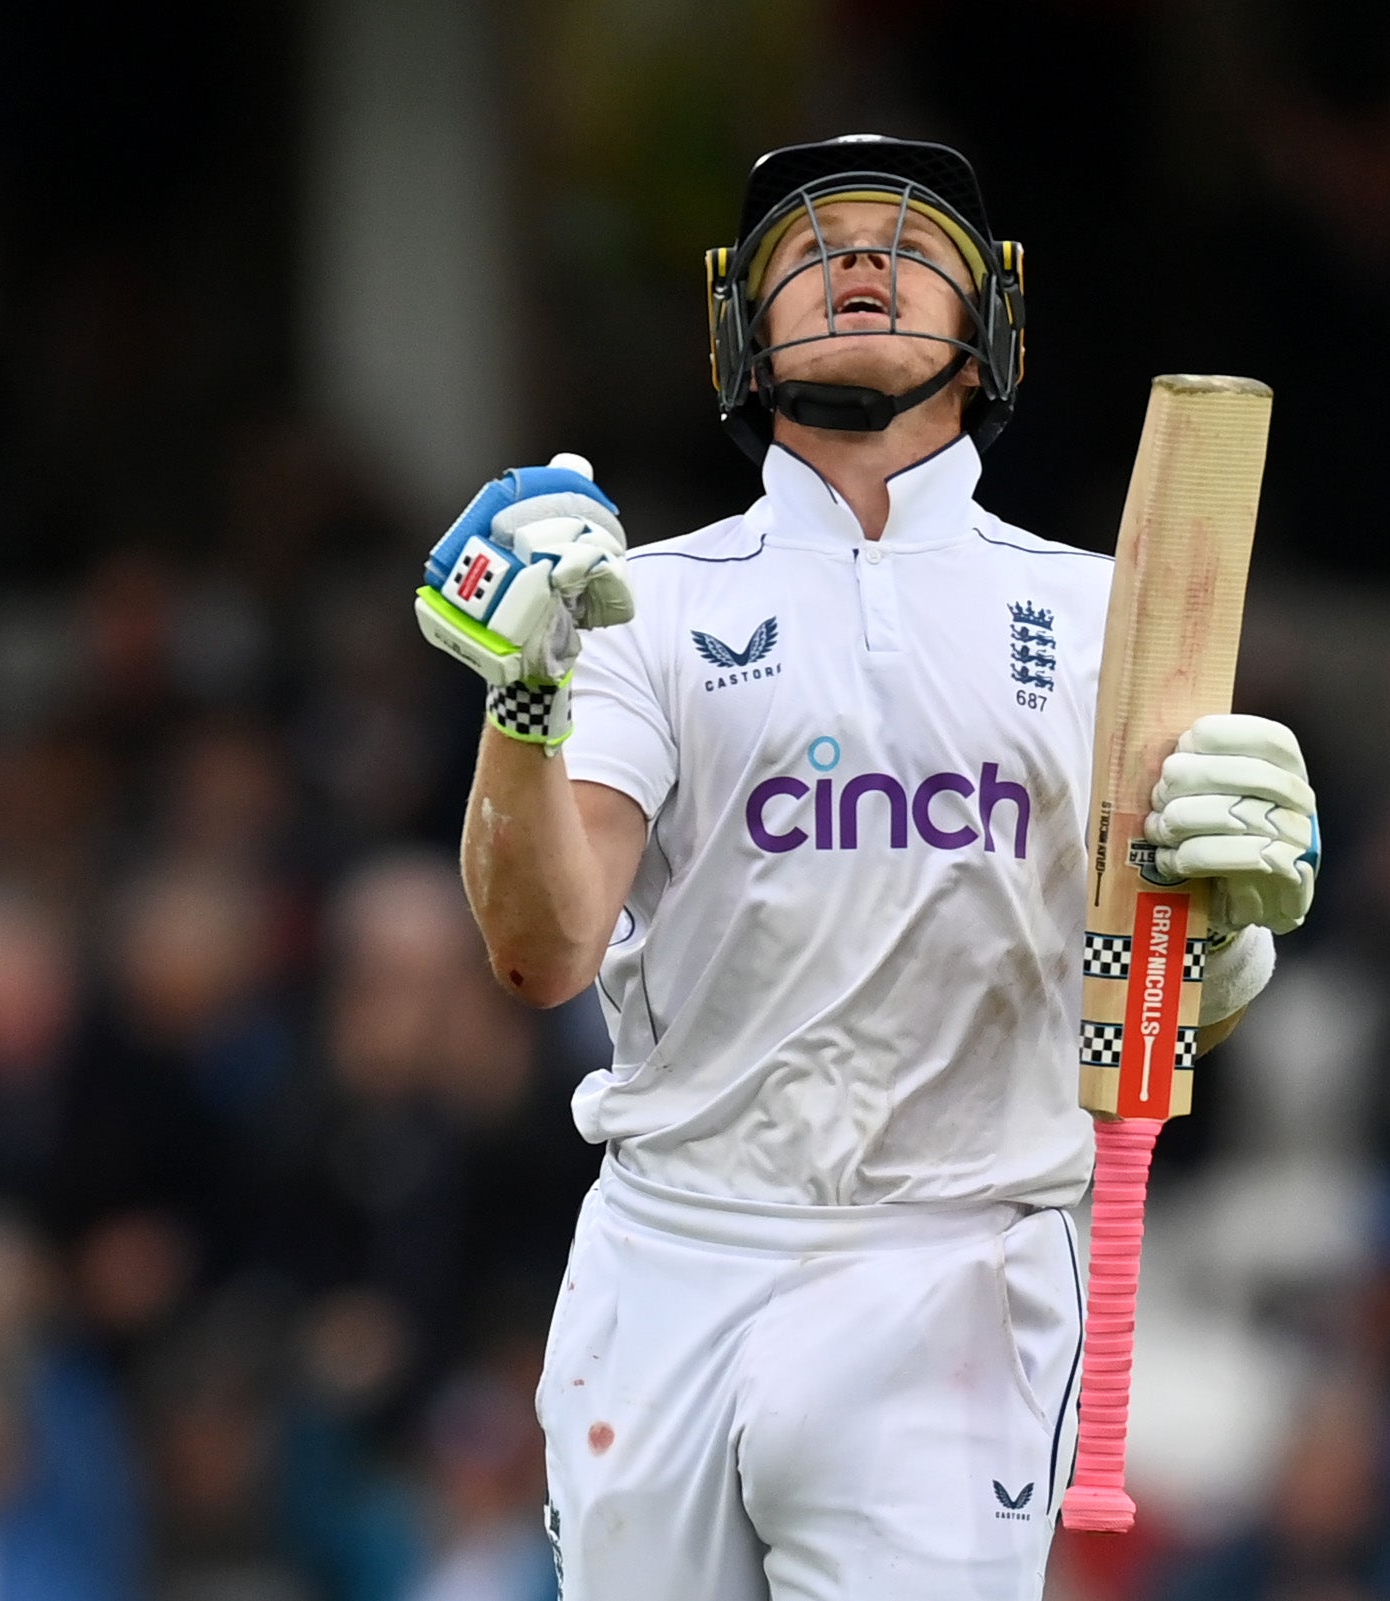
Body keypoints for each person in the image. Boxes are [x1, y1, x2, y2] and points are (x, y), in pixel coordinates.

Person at [410, 136, 1322, 1598]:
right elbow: (543, 949)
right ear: (740, 334)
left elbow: (1162, 995)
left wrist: (1235, 936)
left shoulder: (1103, 615)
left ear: (989, 329)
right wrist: (521, 699)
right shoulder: (638, 604)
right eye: (808, 244)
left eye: (909, 242)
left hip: (955, 1267)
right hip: (673, 1250)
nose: (856, 258)